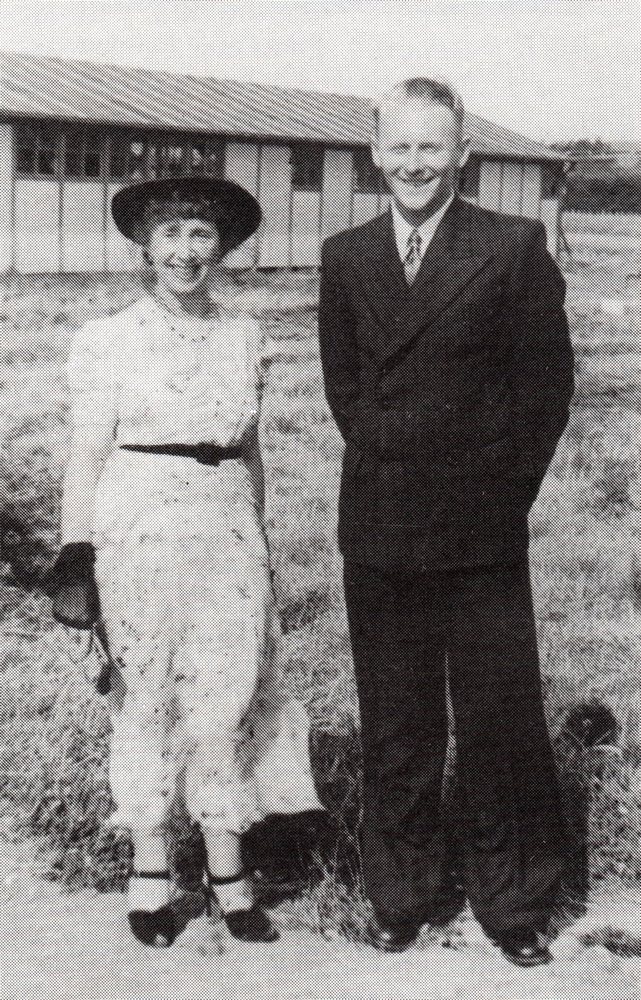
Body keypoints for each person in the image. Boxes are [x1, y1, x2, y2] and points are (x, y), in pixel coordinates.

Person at [318, 78, 574, 967]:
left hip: (479, 530)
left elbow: (545, 392)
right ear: (374, 154)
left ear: (461, 154)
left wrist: (495, 496)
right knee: (396, 722)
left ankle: (512, 903)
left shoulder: (510, 247)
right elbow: (344, 388)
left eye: (434, 148)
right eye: (401, 148)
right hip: (381, 526)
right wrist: (398, 464)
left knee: (497, 719)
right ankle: (403, 894)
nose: (416, 165)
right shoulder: (344, 255)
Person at [49, 176, 323, 947]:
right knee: (148, 691)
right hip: (137, 525)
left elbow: (253, 453)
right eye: (169, 235)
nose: (185, 251)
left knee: (228, 694)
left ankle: (230, 874)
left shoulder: (244, 338)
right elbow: (85, 454)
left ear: (223, 247)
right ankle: (150, 871)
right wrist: (77, 552)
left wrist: (260, 546)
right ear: (144, 244)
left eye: (200, 234)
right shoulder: (108, 338)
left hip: (224, 527)